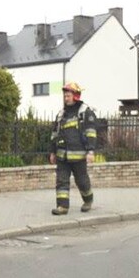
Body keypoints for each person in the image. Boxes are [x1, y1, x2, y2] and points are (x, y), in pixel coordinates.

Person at [49, 82, 97, 215]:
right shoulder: (61, 114)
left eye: (68, 96)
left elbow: (91, 132)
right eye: (65, 96)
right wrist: (52, 152)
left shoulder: (85, 112)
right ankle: (62, 206)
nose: (66, 98)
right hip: (62, 156)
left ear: (75, 96)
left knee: (82, 181)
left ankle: (88, 200)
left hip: (79, 156)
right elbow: (54, 134)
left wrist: (90, 151)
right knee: (61, 181)